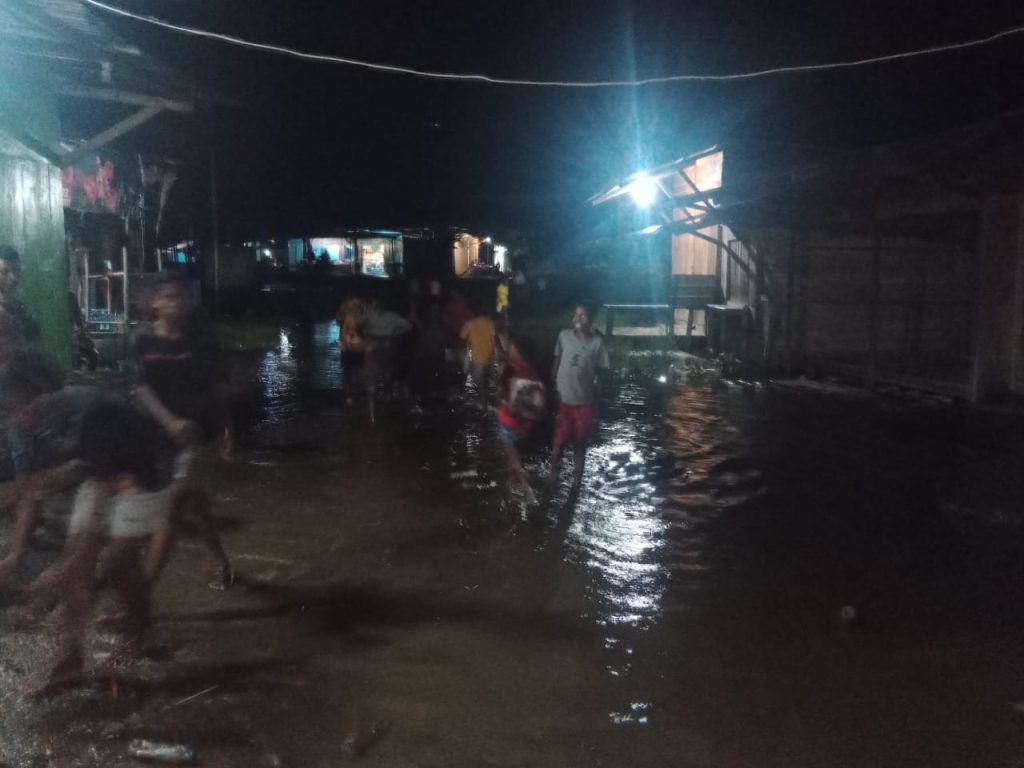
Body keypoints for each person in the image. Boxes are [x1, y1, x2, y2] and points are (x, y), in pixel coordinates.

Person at [132, 275, 234, 589]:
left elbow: (214, 388)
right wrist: (167, 422)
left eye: (181, 297)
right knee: (196, 506)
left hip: (194, 434)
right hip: (155, 437)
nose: (177, 302)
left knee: (171, 510)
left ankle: (143, 593)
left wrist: (227, 428)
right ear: (154, 304)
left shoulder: (199, 343)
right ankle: (221, 560)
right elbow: (140, 388)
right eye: (169, 296)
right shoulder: (142, 341)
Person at [549, 303, 609, 492]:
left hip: (585, 403)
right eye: (576, 315)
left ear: (590, 320)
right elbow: (557, 361)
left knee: (580, 444)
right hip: (564, 400)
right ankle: (553, 476)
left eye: (583, 316)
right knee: (558, 443)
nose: (578, 319)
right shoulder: (563, 336)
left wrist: (598, 402)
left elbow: (602, 373)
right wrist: (551, 389)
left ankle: (576, 483)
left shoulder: (597, 343)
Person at [496, 336, 545, 500]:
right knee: (515, 454)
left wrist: (510, 402)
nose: (508, 350)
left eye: (511, 348)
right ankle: (515, 482)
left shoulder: (511, 370)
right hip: (525, 423)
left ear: (518, 351)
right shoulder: (531, 371)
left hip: (509, 421)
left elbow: (502, 394)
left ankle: (526, 488)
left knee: (513, 456)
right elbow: (539, 400)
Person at [459, 298, 501, 409]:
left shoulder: (470, 324)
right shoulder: (489, 321)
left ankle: (484, 407)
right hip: (490, 357)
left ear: (471, 311)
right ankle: (493, 403)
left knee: (480, 383)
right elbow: (495, 337)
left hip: (478, 359)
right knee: (490, 381)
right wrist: (500, 352)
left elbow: (462, 337)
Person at [337, 297, 368, 406]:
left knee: (348, 373)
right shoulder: (361, 317)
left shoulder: (348, 317)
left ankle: (350, 396)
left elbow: (344, 331)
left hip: (351, 348)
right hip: (358, 348)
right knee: (357, 371)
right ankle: (356, 395)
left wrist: (346, 344)